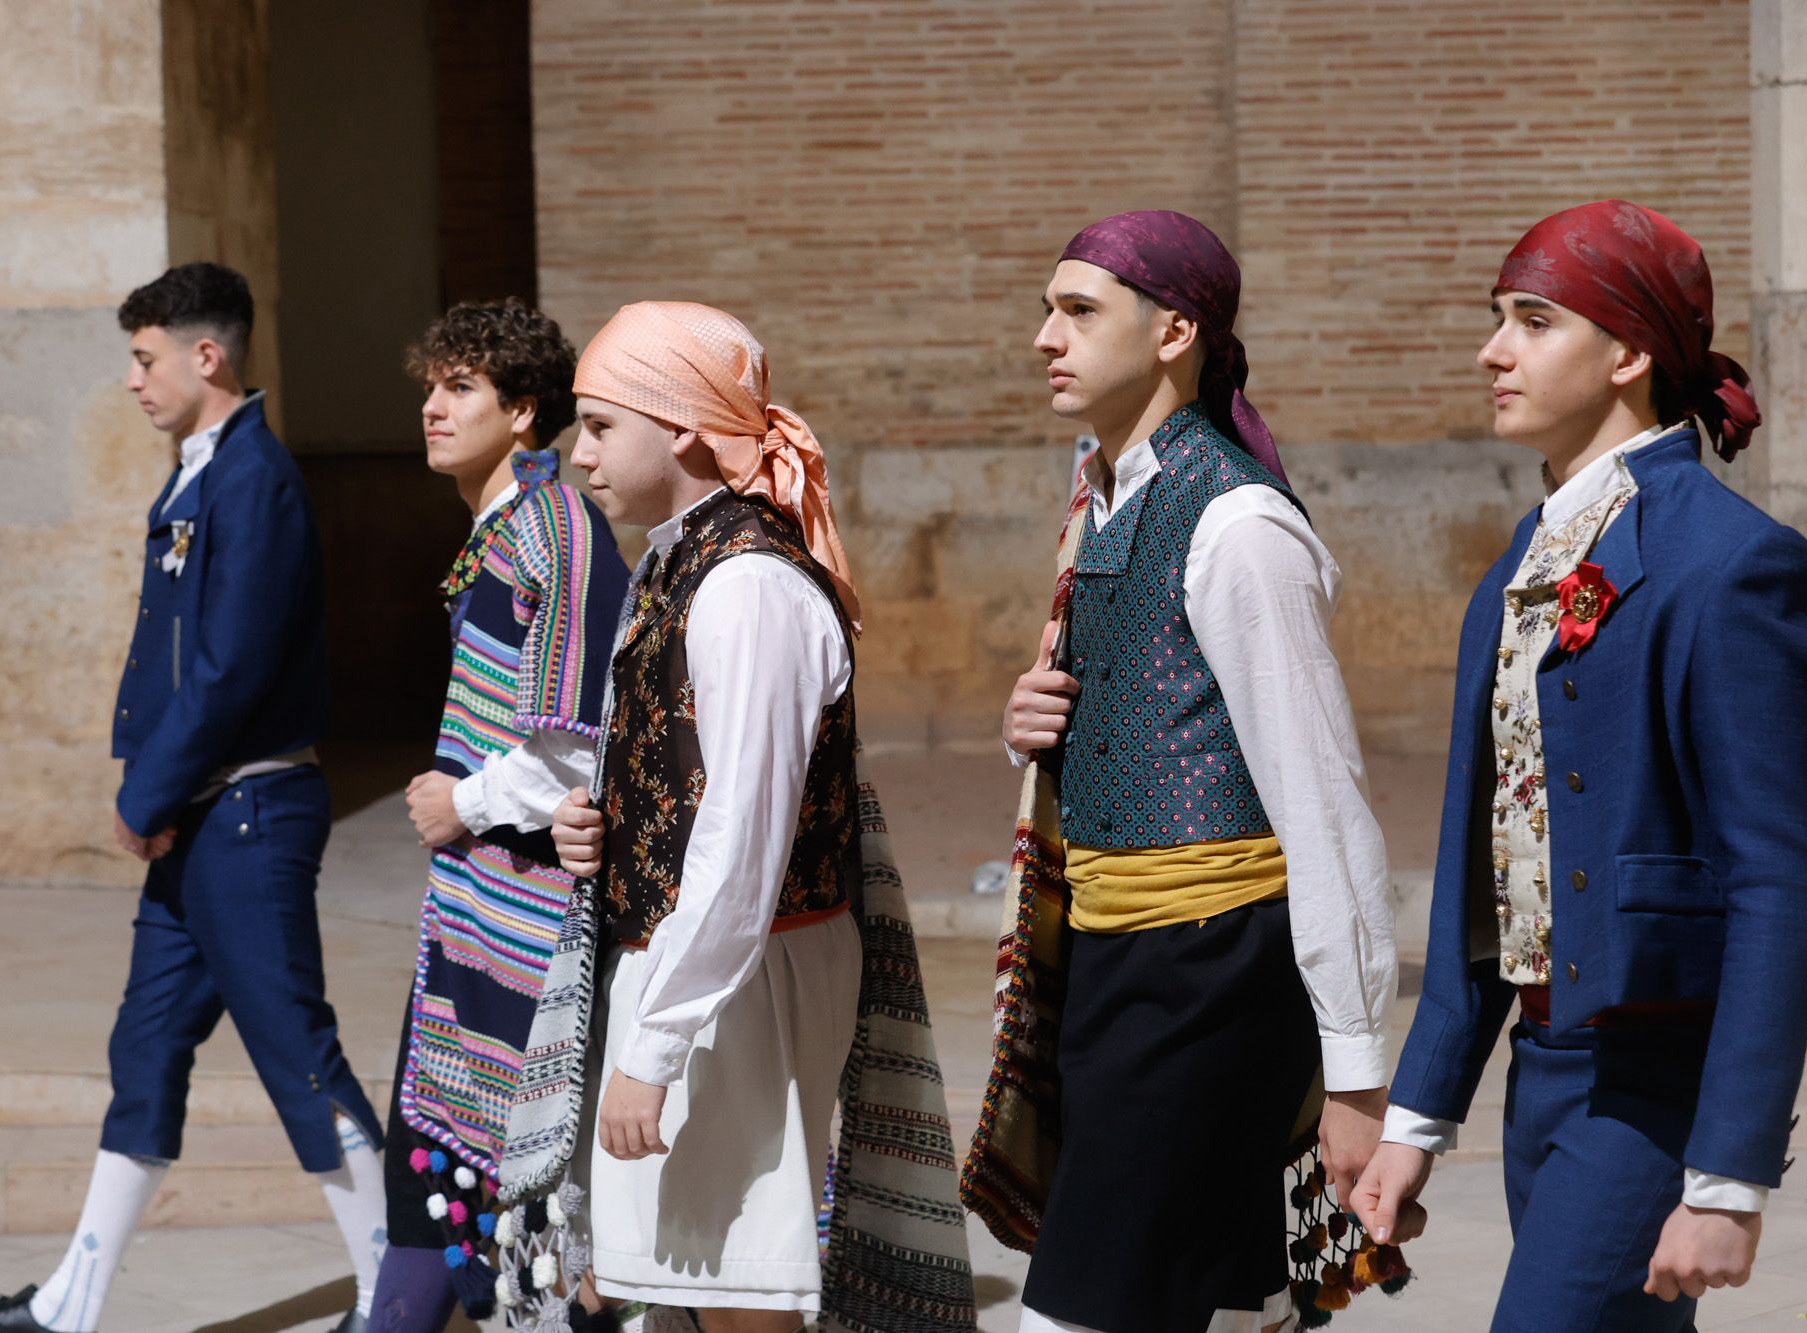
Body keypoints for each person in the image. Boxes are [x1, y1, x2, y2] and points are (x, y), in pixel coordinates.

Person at [1352, 200, 1802, 1333]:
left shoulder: (1729, 567)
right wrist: (1417, 1117)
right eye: (1497, 320)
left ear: (1627, 352)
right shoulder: (1526, 555)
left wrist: (1724, 1178)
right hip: (1540, 1067)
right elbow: (1480, 862)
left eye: (1531, 320)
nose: (1490, 350)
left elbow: (1776, 883)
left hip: (1652, 1081)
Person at [960, 211, 1400, 1333]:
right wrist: (1034, 725)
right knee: (1217, 1303)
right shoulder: (1107, 493)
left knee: (1071, 1318)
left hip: (1209, 972)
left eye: (1077, 310)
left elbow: (1323, 800)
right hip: (1115, 966)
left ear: (1174, 331)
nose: (1042, 338)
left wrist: (1353, 1075)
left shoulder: (1238, 522)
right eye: (1046, 309)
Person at [496, 301, 975, 1333]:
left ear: (679, 429)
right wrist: (600, 823)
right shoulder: (677, 563)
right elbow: (676, 778)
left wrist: (655, 1044)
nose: (577, 455)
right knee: (672, 1285)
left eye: (600, 425)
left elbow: (741, 835)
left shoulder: (747, 584)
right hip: (698, 966)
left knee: (733, 1289)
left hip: (743, 978)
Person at [0, 263, 384, 1333]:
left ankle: (394, 1296)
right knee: (145, 1048)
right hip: (204, 816)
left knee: (294, 1054)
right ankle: (68, 1307)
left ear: (204, 355)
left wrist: (147, 791)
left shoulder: (253, 478)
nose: (131, 380)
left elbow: (229, 665)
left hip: (248, 814)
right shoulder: (200, 473)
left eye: (144, 358)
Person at [366, 300, 628, 1332]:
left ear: (524, 410)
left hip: (527, 915)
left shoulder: (551, 530)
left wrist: (460, 798)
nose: (433, 407)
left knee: (496, 1180)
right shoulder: (503, 522)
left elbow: (572, 738)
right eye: (431, 387)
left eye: (460, 387)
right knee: (440, 1161)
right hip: (477, 909)